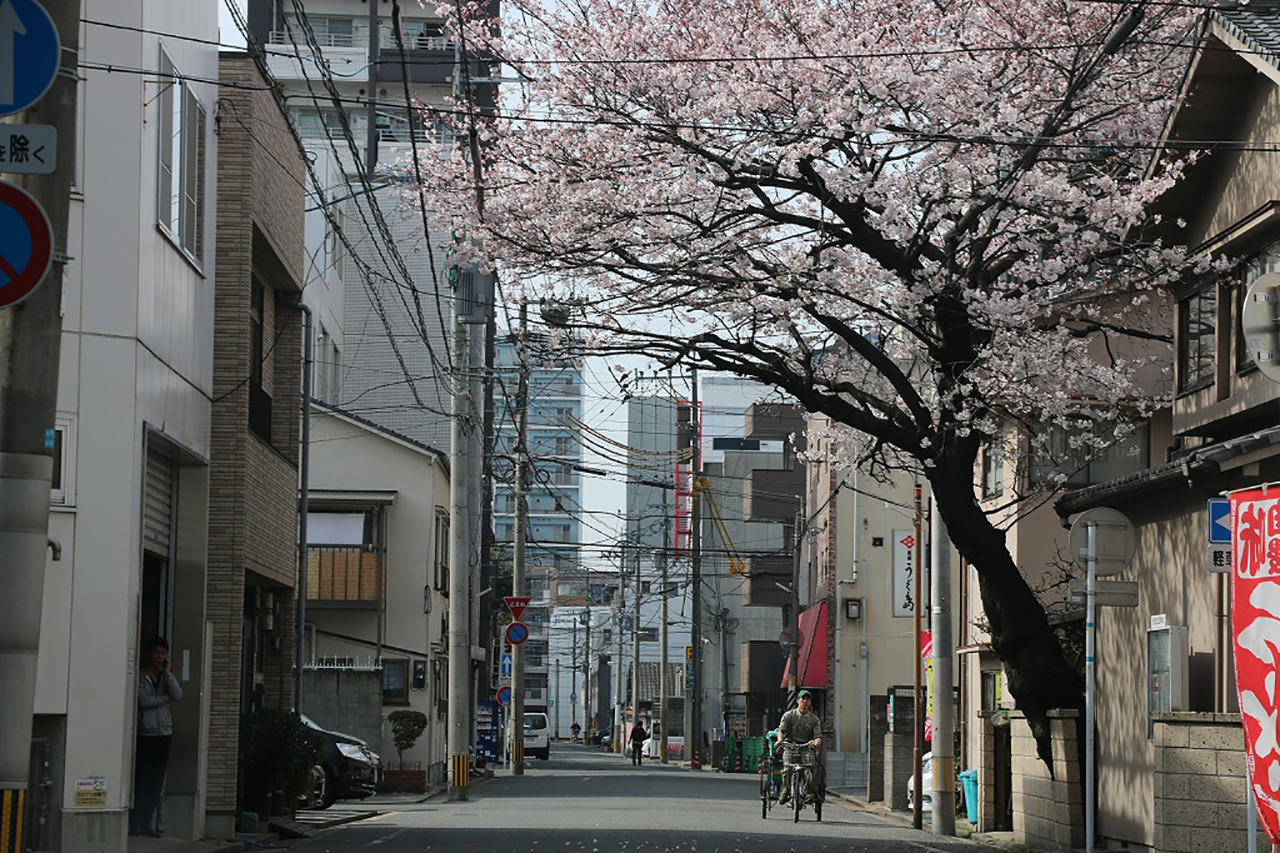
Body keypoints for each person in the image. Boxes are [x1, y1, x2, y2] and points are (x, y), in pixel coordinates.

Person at [131, 637, 183, 838]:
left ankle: (146, 824)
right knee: (142, 779)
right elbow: (143, 702)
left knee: (156, 782)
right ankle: (135, 823)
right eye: (157, 653)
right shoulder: (141, 676)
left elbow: (178, 694)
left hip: (164, 734)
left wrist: (168, 674)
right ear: (149, 654)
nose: (160, 657)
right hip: (146, 734)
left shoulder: (165, 678)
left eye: (163, 653)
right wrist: (164, 699)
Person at [775, 690, 822, 803]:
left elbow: (818, 735)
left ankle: (809, 792)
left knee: (810, 768)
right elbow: (782, 730)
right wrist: (780, 740)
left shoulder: (814, 719)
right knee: (787, 769)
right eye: (802, 699)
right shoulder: (789, 715)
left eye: (807, 699)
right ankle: (785, 790)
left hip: (806, 746)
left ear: (810, 702)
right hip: (790, 745)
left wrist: (817, 742)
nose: (804, 701)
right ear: (797, 701)